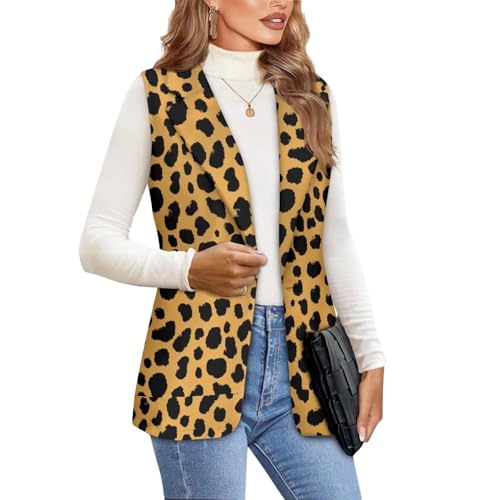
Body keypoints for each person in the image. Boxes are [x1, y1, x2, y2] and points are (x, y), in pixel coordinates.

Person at [79, 0, 387, 498]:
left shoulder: (311, 96)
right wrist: (188, 269)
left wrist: (370, 355)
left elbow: (333, 239)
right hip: (195, 363)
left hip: (305, 366)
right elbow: (97, 242)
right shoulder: (158, 94)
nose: (280, 2)